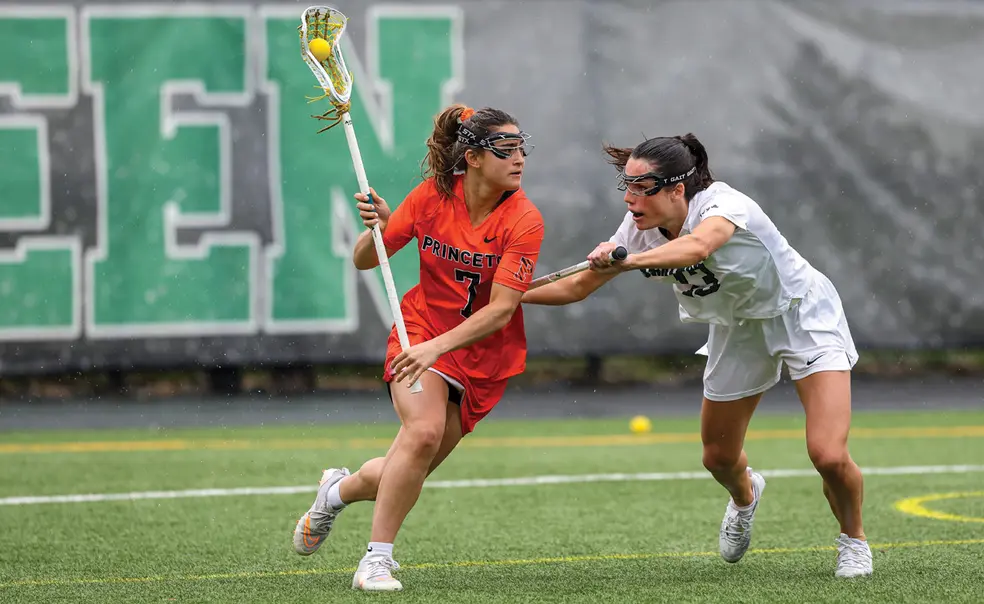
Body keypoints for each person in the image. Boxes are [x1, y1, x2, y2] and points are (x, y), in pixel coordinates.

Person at [520, 133, 872, 579]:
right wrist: (508, 299)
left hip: (802, 315)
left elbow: (699, 246)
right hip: (736, 327)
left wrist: (625, 261)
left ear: (677, 190)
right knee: (718, 458)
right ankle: (746, 497)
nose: (629, 199)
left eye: (640, 188)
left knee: (827, 453)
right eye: (625, 186)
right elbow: (575, 286)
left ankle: (853, 540)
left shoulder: (725, 206)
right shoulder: (637, 228)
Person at [291, 104, 544, 592]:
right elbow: (366, 260)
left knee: (405, 466)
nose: (519, 160)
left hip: (480, 356)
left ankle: (336, 491)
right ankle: (376, 560)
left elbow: (499, 311)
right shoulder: (432, 197)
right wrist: (380, 229)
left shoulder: (525, 220)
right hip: (419, 331)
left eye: (521, 149)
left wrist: (440, 349)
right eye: (505, 150)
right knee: (423, 432)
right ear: (471, 157)